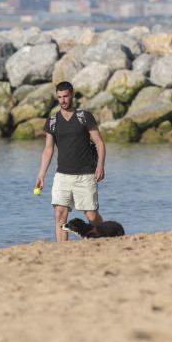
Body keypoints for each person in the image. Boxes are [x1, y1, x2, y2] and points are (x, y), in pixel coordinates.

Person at [35, 81, 106, 242]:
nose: (63, 100)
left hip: (85, 174)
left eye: (66, 96)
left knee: (91, 215)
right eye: (59, 97)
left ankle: (104, 237)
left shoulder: (84, 117)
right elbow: (48, 149)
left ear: (72, 94)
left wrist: (100, 165)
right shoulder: (52, 121)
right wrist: (41, 174)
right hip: (62, 175)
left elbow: (99, 143)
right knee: (59, 213)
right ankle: (62, 250)